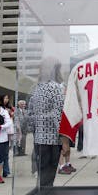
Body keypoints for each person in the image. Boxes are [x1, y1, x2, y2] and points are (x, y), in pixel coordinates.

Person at [28, 57, 66, 187]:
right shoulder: (55, 88)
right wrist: (63, 138)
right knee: (49, 174)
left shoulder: (35, 88)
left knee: (43, 172)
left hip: (39, 138)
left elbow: (30, 114)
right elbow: (58, 114)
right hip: (52, 139)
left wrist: (37, 124)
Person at [2, 94, 14, 177]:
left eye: (7, 98)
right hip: (2, 131)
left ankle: (6, 171)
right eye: (5, 98)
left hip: (9, 130)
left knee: (7, 152)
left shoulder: (10, 108)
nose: (6, 99)